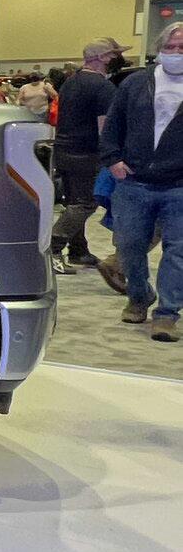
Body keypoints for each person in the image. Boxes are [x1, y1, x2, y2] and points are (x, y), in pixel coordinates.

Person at [99, 21, 183, 342]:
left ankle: (167, 314)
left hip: (179, 186)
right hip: (133, 182)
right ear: (160, 50)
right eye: (170, 47)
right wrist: (113, 160)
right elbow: (112, 125)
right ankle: (138, 296)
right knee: (129, 246)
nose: (176, 53)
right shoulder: (135, 84)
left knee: (178, 251)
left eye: (182, 48)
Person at [49, 39, 119, 269]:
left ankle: (79, 250)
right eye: (114, 54)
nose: (116, 59)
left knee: (73, 201)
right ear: (104, 57)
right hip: (87, 153)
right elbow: (104, 128)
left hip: (63, 149)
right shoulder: (103, 87)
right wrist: (112, 154)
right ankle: (53, 246)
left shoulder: (70, 82)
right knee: (86, 203)